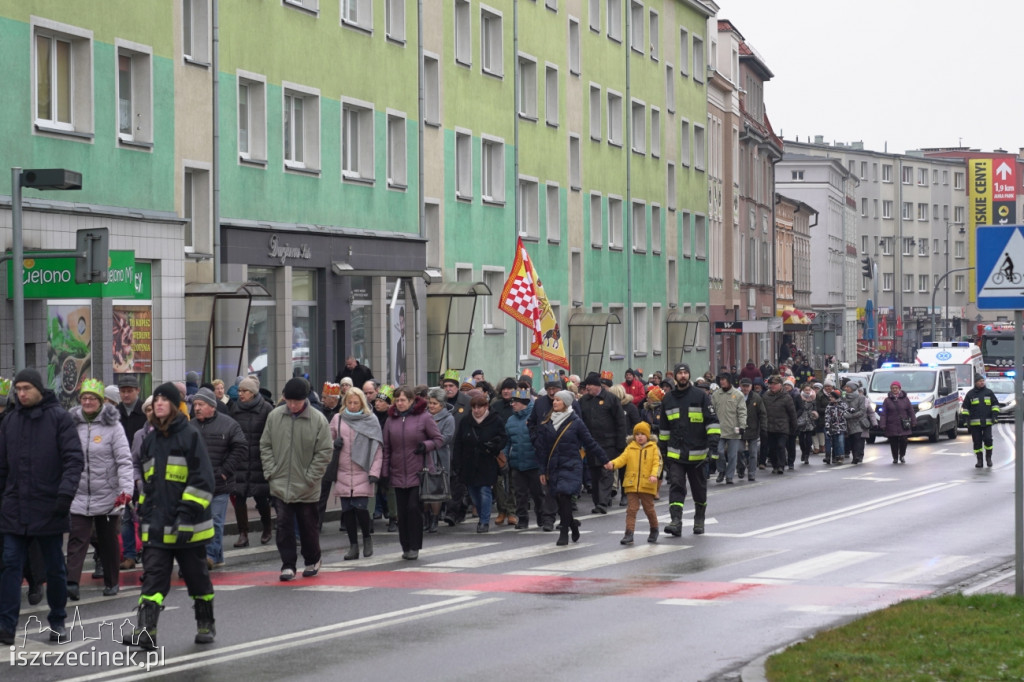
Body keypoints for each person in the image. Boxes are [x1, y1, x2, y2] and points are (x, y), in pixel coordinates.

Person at [125, 382, 216, 649]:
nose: (159, 403)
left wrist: (186, 515)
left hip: (188, 526)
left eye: (165, 399)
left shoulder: (190, 435)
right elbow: (149, 482)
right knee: (153, 579)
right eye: (157, 399)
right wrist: (143, 509)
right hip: (157, 526)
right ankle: (146, 631)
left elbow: (203, 480)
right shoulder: (150, 440)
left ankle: (205, 623)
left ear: (176, 406)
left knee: (196, 576)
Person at [0, 368, 85, 645]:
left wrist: (64, 495)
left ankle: (58, 620)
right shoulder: (9, 421)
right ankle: (6, 626)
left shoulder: (59, 418)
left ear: (38, 388)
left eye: (26, 388)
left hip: (50, 506)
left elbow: (74, 460)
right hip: (14, 507)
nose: (21, 393)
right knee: (10, 564)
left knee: (53, 568)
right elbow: (2, 467)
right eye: (18, 389)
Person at [65, 379, 134, 600]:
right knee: (77, 539)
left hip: (108, 494)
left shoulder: (113, 427)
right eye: (84, 398)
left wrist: (125, 491)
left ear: (101, 401)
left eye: (92, 398)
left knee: (108, 542)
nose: (87, 402)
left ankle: (112, 582)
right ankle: (71, 583)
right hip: (79, 494)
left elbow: (124, 460)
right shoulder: (72, 424)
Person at [260, 378, 333, 581]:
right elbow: (265, 445)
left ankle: (313, 560)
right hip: (280, 481)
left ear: (305, 400)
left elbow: (325, 451)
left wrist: (311, 476)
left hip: (307, 484)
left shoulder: (318, 420)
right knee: (283, 526)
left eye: (297, 402)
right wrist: (271, 471)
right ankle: (288, 564)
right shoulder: (275, 416)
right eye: (289, 400)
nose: (292, 405)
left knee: (308, 526)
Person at [532, 390, 606, 546]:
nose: (554, 402)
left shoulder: (576, 422)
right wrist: (542, 471)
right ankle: (572, 524)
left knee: (564, 495)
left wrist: (605, 460)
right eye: (554, 400)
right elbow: (542, 449)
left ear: (566, 403)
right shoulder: (548, 422)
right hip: (553, 466)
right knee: (559, 498)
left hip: (571, 465)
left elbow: (590, 442)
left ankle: (564, 531)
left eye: (558, 400)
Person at [382, 387, 444, 560]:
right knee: (402, 512)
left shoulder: (424, 417)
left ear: (411, 401)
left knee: (413, 508)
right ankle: (405, 545)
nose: (399, 403)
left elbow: (438, 439)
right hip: (398, 472)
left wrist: (425, 446)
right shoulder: (390, 420)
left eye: (403, 400)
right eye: (397, 400)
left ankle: (415, 546)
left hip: (419, 472)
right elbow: (386, 448)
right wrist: (384, 471)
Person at [657, 364, 719, 536]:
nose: (683, 376)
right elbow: (664, 429)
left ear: (689, 375)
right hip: (675, 454)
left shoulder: (700, 396)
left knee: (699, 489)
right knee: (676, 486)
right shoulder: (668, 399)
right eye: (680, 373)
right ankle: (676, 521)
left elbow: (713, 423)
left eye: (685, 373)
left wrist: (713, 449)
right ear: (675, 377)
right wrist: (662, 452)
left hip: (698, 454)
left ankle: (699, 519)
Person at [192, 387, 246, 569]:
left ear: (212, 406)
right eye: (195, 405)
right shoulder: (189, 427)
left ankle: (209, 556)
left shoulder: (229, 425)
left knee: (215, 520)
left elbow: (240, 448)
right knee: (200, 523)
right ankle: (217, 555)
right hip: (197, 485)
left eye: (201, 404)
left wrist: (224, 472)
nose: (197, 408)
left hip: (220, 484)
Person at [330, 388, 384, 560]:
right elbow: (325, 441)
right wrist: (334, 444)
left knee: (361, 509)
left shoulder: (370, 419)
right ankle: (353, 546)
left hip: (363, 470)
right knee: (347, 511)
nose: (352, 406)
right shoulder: (338, 419)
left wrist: (375, 472)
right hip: (343, 471)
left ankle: (367, 538)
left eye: (356, 403)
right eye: (349, 403)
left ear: (362, 403)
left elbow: (377, 449)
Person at [228, 376, 274, 547]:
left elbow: (271, 435)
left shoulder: (266, 409)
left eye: (244, 391)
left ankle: (267, 528)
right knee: (239, 498)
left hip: (259, 460)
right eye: (239, 391)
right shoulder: (235, 409)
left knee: (261, 498)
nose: (241, 394)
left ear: (253, 393)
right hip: (240, 460)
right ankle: (243, 534)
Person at [452, 394, 507, 533]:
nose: (476, 410)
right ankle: (482, 513)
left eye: (479, 407)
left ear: (486, 406)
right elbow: (458, 442)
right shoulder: (466, 421)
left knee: (484, 490)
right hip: (469, 462)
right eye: (474, 407)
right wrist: (457, 462)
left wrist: (494, 445)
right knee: (473, 492)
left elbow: (503, 438)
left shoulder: (495, 420)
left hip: (487, 460)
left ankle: (484, 521)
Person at [604, 422, 662, 545]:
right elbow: (622, 459)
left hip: (647, 484)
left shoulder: (653, 448)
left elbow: (656, 463)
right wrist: (612, 464)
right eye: (637, 434)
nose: (639, 437)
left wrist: (654, 475)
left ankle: (654, 529)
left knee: (649, 509)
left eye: (642, 434)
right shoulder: (630, 447)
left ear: (648, 435)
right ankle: (629, 533)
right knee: (631, 510)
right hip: (631, 483)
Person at [578, 373, 626, 514]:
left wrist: (620, 443)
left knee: (606, 472)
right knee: (595, 473)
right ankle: (598, 501)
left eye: (590, 385)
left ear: (597, 386)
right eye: (586, 385)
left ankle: (603, 503)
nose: (587, 388)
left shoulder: (611, 399)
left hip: (609, 443)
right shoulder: (584, 401)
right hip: (591, 444)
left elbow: (620, 423)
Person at [116, 375, 147, 569]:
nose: (126, 394)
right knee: (125, 516)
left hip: (141, 471)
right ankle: (129, 554)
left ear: (137, 391)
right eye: (123, 391)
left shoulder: (144, 412)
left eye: (130, 390)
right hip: (121, 471)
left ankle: (147, 550)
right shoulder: (114, 413)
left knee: (144, 515)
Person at [505, 389, 543, 529]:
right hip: (517, 462)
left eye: (515, 401)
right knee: (520, 494)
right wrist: (505, 455)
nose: (512, 404)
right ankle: (522, 519)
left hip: (534, 463)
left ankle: (541, 516)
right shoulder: (511, 420)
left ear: (524, 403)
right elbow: (508, 441)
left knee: (537, 493)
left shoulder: (535, 417)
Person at [424, 387, 455, 533]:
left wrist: (429, 443)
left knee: (436, 489)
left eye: (434, 403)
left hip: (440, 457)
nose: (431, 406)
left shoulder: (448, 418)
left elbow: (446, 437)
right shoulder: (424, 416)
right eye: (430, 403)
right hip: (425, 456)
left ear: (442, 405)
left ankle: (435, 518)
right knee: (424, 488)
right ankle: (426, 517)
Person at [711, 374, 746, 484]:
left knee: (732, 455)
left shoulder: (738, 395)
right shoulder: (716, 395)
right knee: (719, 452)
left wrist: (742, 426)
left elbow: (742, 412)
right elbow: (711, 411)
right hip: (719, 429)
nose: (722, 382)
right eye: (720, 380)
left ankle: (729, 476)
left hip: (733, 429)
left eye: (724, 380)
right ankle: (721, 471)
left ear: (729, 381)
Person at [761, 376, 796, 475]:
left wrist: (794, 427)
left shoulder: (786, 397)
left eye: (774, 384)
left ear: (780, 385)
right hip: (770, 427)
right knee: (772, 448)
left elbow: (792, 413)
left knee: (781, 446)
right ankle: (775, 465)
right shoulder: (766, 396)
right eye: (770, 384)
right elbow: (762, 412)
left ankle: (781, 466)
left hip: (782, 427)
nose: (772, 386)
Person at [962, 374, 999, 468]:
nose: (982, 382)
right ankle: (979, 460)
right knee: (977, 442)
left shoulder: (989, 392)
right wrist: (967, 421)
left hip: (987, 422)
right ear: (976, 383)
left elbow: (995, 405)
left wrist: (994, 416)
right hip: (975, 424)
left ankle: (988, 458)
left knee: (988, 440)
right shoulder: (970, 394)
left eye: (983, 380)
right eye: (980, 381)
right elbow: (965, 408)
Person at [879, 381, 916, 464]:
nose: (894, 389)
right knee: (893, 441)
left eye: (896, 388)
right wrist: (883, 424)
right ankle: (895, 457)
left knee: (904, 440)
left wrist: (913, 421)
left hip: (903, 424)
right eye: (892, 388)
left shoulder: (905, 399)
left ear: (899, 388)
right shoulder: (887, 400)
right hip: (891, 424)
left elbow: (911, 411)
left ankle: (902, 455)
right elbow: (883, 413)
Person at [737, 378, 766, 481]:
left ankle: (752, 473)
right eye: (743, 386)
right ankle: (740, 468)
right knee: (739, 451)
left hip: (753, 429)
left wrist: (763, 427)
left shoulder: (756, 398)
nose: (745, 388)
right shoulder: (736, 396)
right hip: (739, 429)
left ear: (751, 387)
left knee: (753, 453)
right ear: (740, 386)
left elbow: (762, 414)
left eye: (747, 386)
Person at [842, 381, 868, 465]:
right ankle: (855, 455)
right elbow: (843, 407)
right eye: (846, 387)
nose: (846, 389)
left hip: (858, 422)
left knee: (858, 439)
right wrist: (845, 414)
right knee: (851, 440)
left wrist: (852, 416)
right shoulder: (844, 398)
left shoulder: (861, 398)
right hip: (848, 422)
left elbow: (862, 410)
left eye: (848, 387)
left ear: (852, 388)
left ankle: (858, 456)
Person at [823, 389, 848, 465]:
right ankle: (836, 456)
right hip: (833, 427)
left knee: (840, 441)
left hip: (841, 426)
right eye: (830, 397)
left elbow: (847, 411)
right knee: (836, 442)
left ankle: (841, 456)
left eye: (832, 397)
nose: (830, 398)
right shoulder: (829, 407)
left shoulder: (842, 405)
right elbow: (827, 417)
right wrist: (827, 427)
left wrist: (850, 410)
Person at [796, 384, 818, 465]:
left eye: (809, 390)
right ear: (803, 390)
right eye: (806, 390)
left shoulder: (813, 398)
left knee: (808, 440)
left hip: (809, 421)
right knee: (801, 440)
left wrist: (815, 414)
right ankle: (803, 451)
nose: (808, 391)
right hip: (801, 420)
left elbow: (815, 408)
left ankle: (806, 456)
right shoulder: (799, 397)